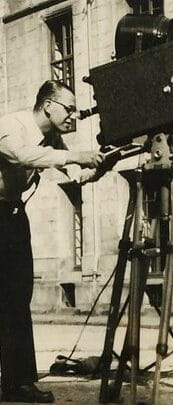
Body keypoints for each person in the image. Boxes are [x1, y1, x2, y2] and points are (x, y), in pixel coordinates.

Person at [0, 80, 105, 403]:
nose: (74, 116)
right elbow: (22, 157)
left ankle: (19, 384)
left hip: (12, 214)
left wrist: (102, 165)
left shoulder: (52, 140)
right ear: (48, 105)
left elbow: (74, 176)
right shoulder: (11, 126)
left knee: (17, 298)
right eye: (69, 109)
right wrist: (77, 155)